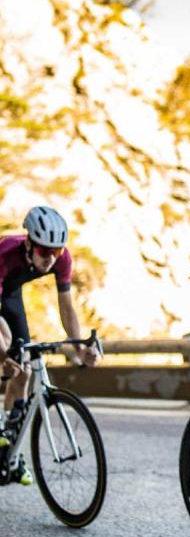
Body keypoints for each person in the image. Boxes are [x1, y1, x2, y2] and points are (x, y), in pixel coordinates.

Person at [0, 206, 99, 485]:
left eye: (56, 251)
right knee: (4, 342)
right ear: (29, 244)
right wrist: (3, 356)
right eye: (45, 251)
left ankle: (8, 453)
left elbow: (66, 307)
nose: (51, 258)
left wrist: (79, 349)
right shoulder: (6, 253)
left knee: (23, 371)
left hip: (9, 294)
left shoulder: (62, 259)